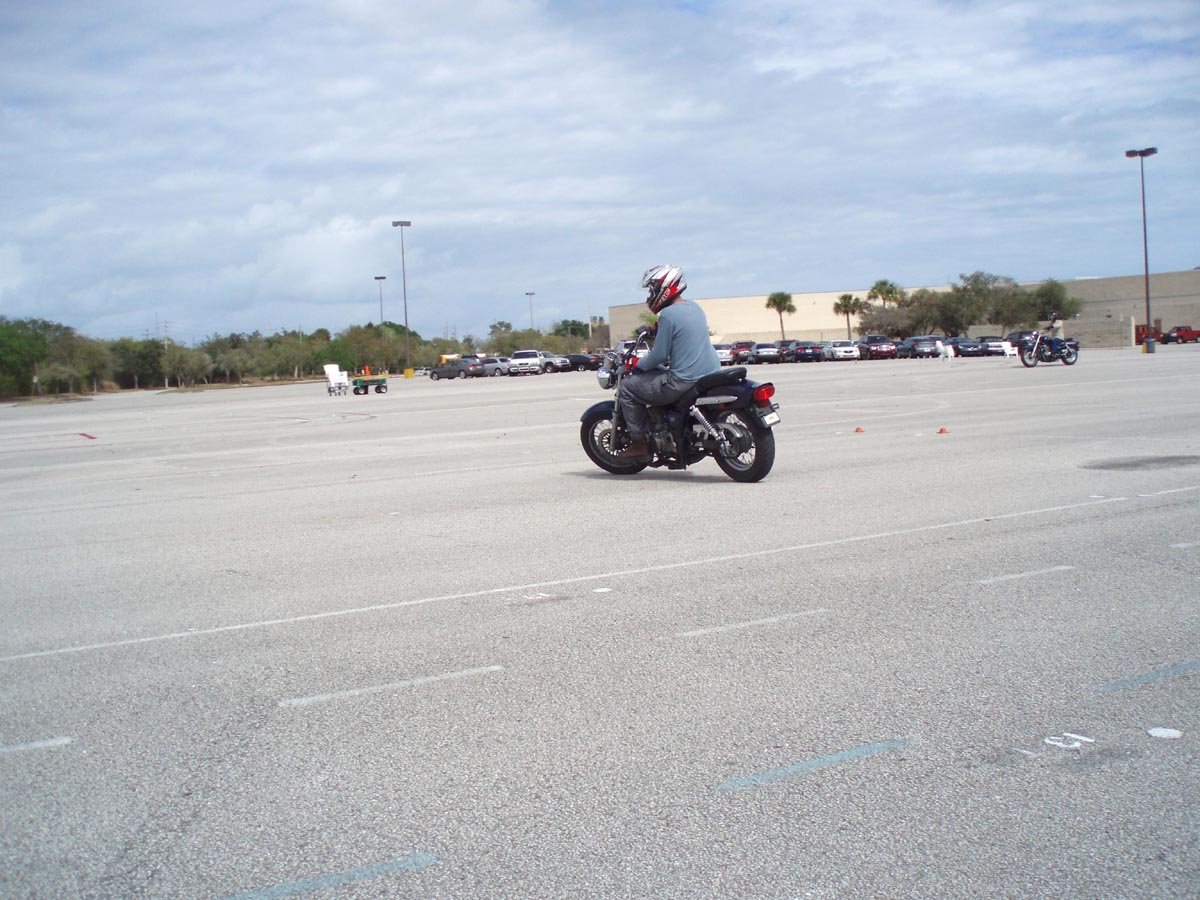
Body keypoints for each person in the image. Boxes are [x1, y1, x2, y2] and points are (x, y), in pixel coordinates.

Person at [614, 265, 721, 460]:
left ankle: (639, 444)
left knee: (628, 387)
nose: (650, 295)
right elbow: (684, 333)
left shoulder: (669, 315)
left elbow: (659, 356)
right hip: (710, 373)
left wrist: (636, 363)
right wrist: (658, 329)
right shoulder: (695, 307)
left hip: (683, 381)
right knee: (657, 375)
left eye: (652, 290)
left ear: (664, 288)